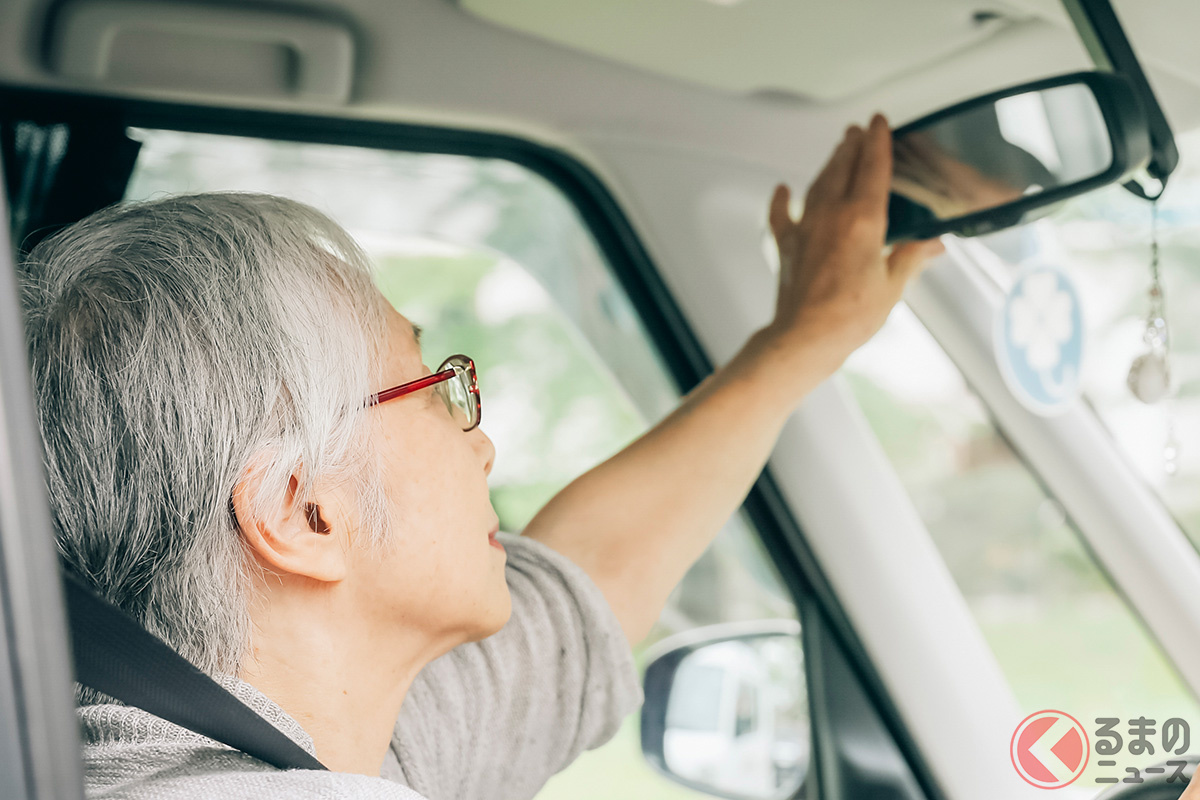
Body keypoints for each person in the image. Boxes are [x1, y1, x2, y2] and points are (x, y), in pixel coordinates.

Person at [19, 115, 942, 799]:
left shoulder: (291, 731)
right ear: (304, 513)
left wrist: (804, 339)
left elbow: (589, 588)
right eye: (436, 390)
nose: (484, 444)